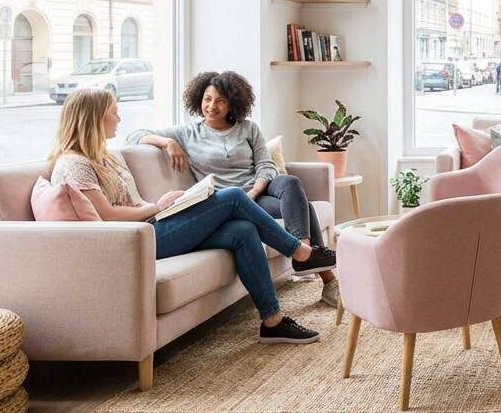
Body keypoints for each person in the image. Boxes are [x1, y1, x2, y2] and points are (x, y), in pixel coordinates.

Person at [48, 88, 330, 343]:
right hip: (138, 239)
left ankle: (273, 322)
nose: (118, 118)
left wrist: (167, 205)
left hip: (151, 225)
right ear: (93, 118)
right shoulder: (74, 164)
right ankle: (301, 252)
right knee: (232, 197)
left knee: (243, 230)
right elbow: (109, 217)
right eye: (113, 113)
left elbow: (129, 203)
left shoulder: (106, 156)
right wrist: (157, 207)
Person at [127, 70, 341, 307]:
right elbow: (135, 135)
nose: (212, 106)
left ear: (233, 103)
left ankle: (304, 254)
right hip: (229, 203)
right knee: (306, 207)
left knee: (291, 184)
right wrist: (168, 142)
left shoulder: (248, 128)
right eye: (207, 99)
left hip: (258, 192)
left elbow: (266, 165)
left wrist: (254, 191)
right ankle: (324, 276)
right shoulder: (188, 133)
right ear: (199, 99)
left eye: (220, 100)